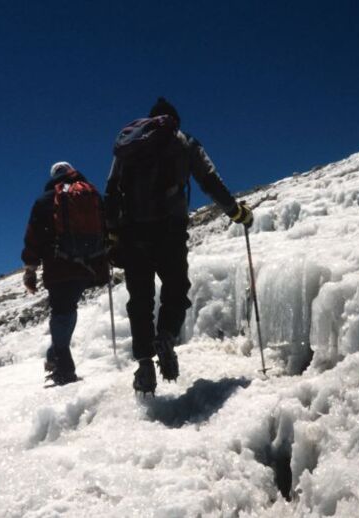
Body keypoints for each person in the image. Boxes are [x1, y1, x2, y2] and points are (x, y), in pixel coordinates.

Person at [105, 97, 253, 395]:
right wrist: (236, 212)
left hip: (134, 235)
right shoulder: (185, 141)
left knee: (140, 301)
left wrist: (111, 236)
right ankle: (167, 336)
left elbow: (111, 190)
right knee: (175, 290)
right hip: (169, 232)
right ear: (174, 120)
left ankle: (145, 362)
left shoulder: (128, 148)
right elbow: (209, 180)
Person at [21, 161, 109, 386]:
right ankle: (55, 357)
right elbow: (107, 227)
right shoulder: (92, 194)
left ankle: (63, 368)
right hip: (89, 266)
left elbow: (34, 238)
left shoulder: (45, 201)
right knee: (68, 308)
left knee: (62, 311)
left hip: (59, 266)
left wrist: (30, 270)